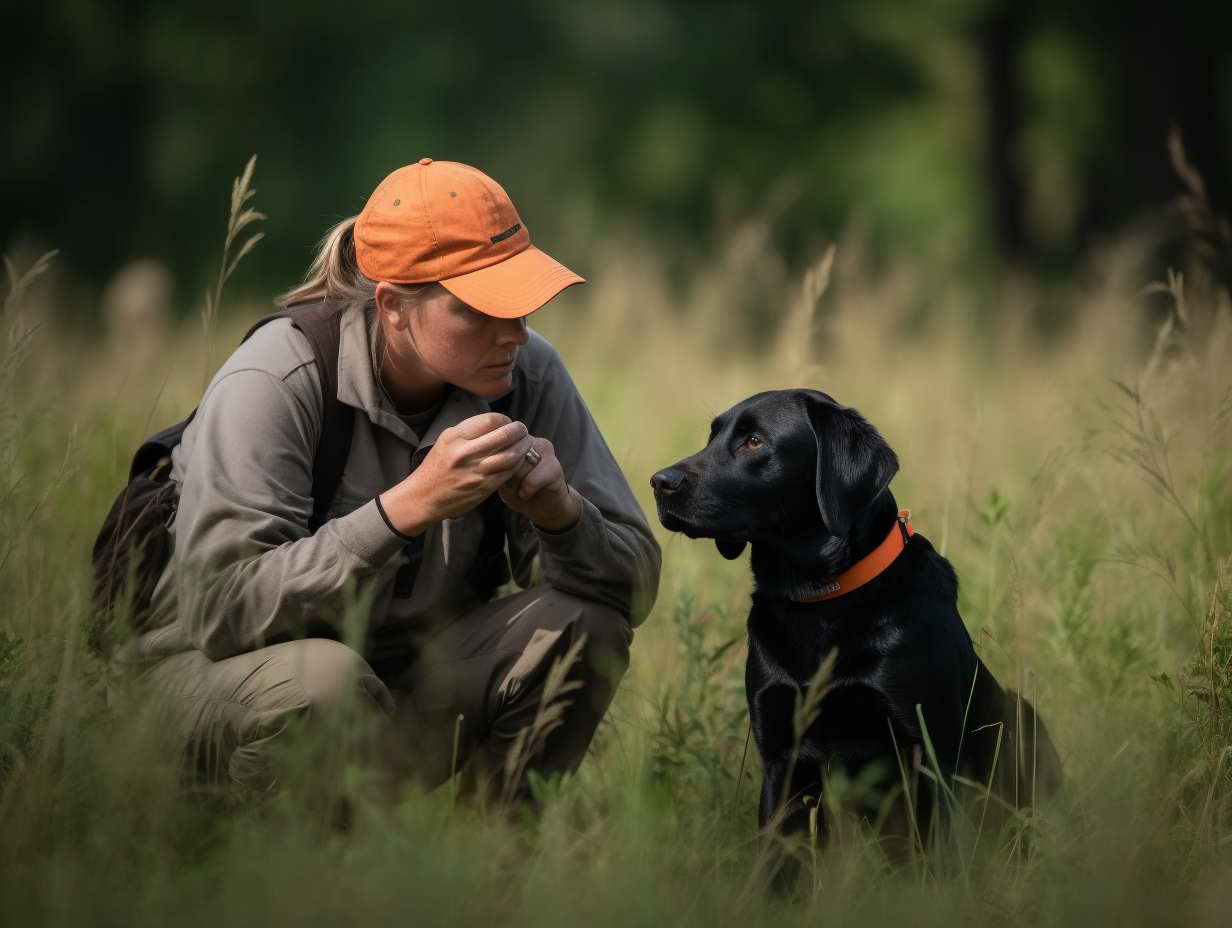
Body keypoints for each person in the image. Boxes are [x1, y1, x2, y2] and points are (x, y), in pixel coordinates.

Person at [117, 158, 661, 802]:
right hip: (214, 694)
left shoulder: (526, 373)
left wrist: (561, 515)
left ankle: (483, 880)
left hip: (391, 692)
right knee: (323, 683)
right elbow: (221, 610)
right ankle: (266, 877)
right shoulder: (276, 378)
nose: (515, 332)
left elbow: (633, 591)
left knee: (584, 628)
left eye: (520, 303)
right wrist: (405, 509)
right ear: (394, 308)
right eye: (480, 308)